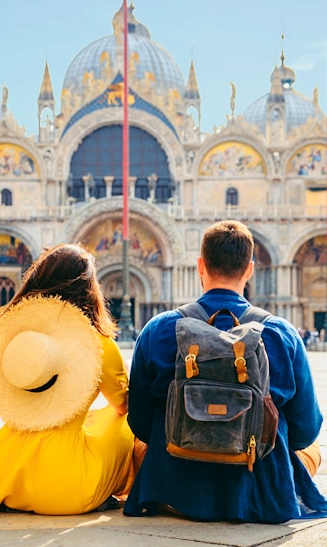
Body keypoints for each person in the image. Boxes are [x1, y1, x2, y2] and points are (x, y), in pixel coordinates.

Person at [124, 220, 327, 523]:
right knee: (312, 450)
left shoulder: (157, 329)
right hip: (260, 493)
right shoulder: (282, 333)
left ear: (200, 266)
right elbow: (304, 431)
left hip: (175, 492)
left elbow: (139, 423)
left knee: (138, 449)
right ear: (250, 269)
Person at [0, 243, 135, 515]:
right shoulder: (98, 343)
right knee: (126, 421)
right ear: (88, 287)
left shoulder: (19, 336)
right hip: (66, 488)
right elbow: (123, 405)